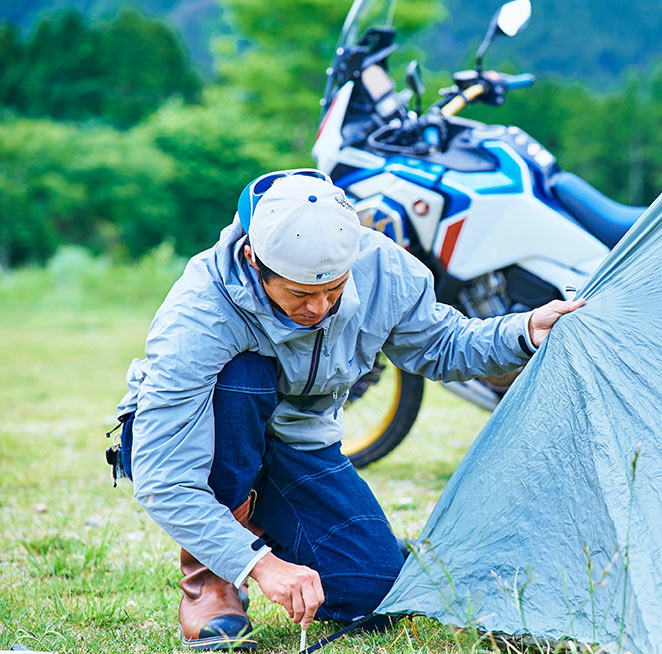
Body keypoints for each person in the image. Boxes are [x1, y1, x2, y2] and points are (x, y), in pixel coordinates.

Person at [114, 168, 583, 650]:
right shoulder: (199, 312)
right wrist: (261, 565)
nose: (319, 309)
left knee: (372, 593)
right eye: (300, 294)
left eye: (334, 290)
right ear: (255, 261)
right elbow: (163, 475)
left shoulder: (383, 267)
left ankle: (259, 520)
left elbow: (442, 342)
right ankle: (212, 582)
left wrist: (524, 330)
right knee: (241, 378)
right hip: (216, 432)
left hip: (298, 442)